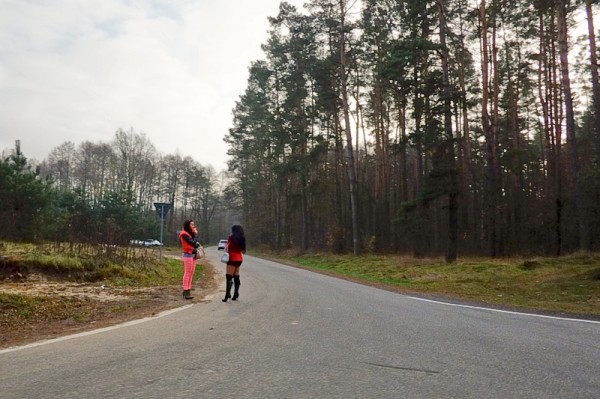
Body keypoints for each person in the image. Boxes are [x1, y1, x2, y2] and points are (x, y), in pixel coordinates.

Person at [222, 225, 246, 302]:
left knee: (229, 277)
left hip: (232, 258)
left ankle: (227, 295)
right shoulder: (242, 238)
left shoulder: (231, 237)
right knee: (236, 276)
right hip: (239, 258)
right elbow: (242, 249)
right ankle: (236, 293)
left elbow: (228, 247)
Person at [179, 219, 200, 300]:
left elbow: (195, 243)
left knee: (191, 273)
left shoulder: (190, 233)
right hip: (187, 255)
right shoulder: (184, 234)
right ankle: (185, 290)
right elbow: (193, 243)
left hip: (193, 254)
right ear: (187, 225)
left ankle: (188, 289)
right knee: (187, 273)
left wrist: (194, 235)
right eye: (191, 224)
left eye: (193, 224)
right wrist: (195, 234)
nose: (193, 226)